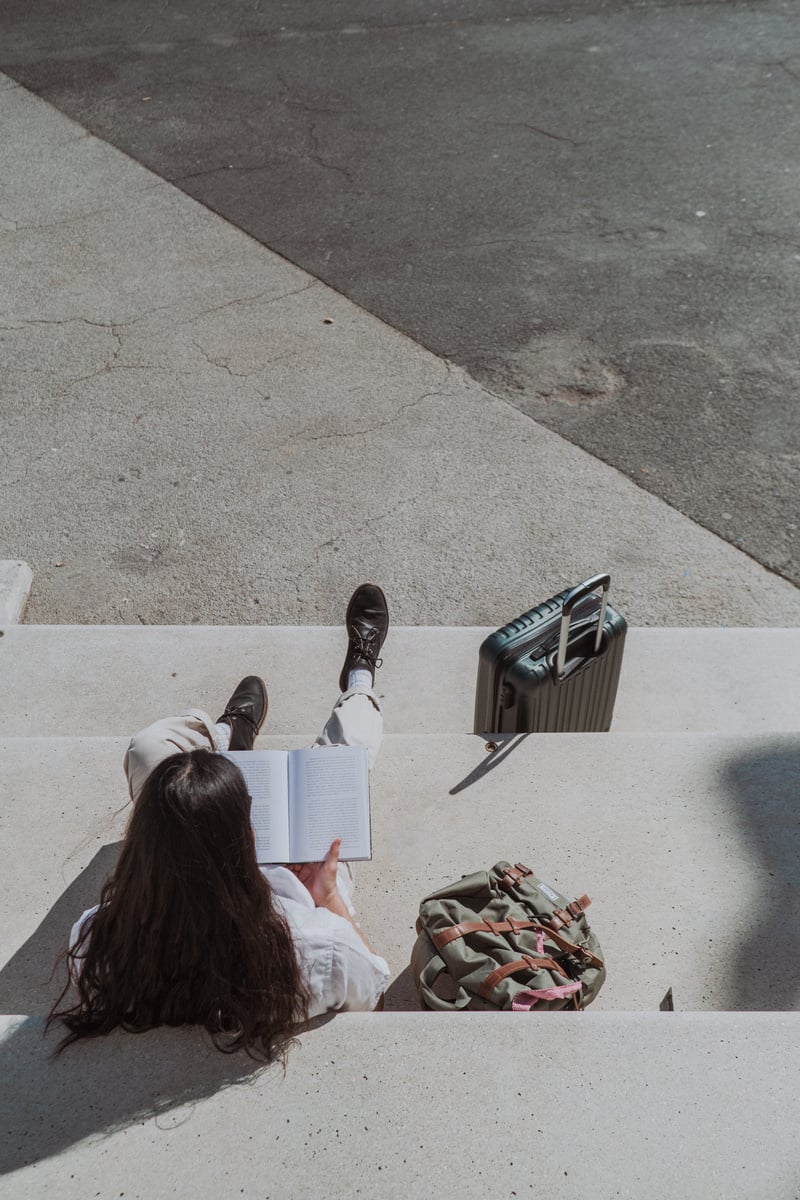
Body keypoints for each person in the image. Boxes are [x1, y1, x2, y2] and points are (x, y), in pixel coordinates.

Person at [48, 584, 391, 1059]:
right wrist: (327, 894)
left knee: (149, 749)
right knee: (339, 761)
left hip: (216, 875)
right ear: (247, 840)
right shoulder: (317, 947)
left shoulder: (97, 941)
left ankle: (229, 736)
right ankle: (360, 679)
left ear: (146, 842)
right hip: (302, 890)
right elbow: (371, 995)